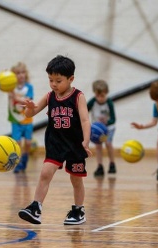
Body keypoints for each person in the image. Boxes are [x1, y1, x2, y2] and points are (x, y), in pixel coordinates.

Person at [18, 55, 92, 225]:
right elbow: (31, 114)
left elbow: (85, 120)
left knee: (76, 179)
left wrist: (86, 141)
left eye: (58, 81)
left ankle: (78, 210)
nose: (53, 84)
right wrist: (29, 109)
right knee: (45, 173)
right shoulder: (50, 96)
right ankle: (36, 208)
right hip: (55, 143)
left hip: (74, 144)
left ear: (71, 79)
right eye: (51, 80)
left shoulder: (78, 97)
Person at [8, 62, 34, 173]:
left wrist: (15, 97)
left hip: (27, 120)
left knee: (28, 143)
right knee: (17, 143)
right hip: (15, 120)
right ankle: (17, 163)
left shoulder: (29, 87)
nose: (21, 75)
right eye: (18, 73)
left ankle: (25, 158)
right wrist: (2, 80)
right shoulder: (10, 87)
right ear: (14, 75)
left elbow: (28, 101)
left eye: (23, 72)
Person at [87, 80, 117, 177]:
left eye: (102, 96)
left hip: (108, 128)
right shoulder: (92, 102)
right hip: (96, 129)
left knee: (108, 143)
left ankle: (112, 164)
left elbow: (113, 119)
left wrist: (106, 122)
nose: (100, 98)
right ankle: (100, 166)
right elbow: (83, 111)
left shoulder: (109, 103)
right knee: (98, 147)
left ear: (106, 93)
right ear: (95, 94)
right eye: (98, 96)